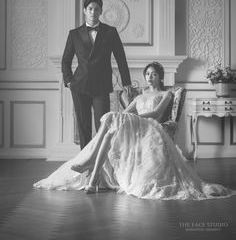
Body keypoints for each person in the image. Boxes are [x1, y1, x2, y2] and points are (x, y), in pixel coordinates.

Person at [34, 61, 236, 200]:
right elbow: (123, 112)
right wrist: (125, 118)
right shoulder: (138, 97)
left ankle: (90, 164)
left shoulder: (167, 94)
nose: (150, 77)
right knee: (111, 120)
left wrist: (132, 119)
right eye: (147, 74)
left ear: (160, 76)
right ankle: (94, 176)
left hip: (149, 126)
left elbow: (156, 114)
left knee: (113, 120)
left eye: (154, 74)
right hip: (134, 124)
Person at [61, 0, 131, 148]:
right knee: (83, 127)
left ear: (101, 11)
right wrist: (69, 81)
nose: (93, 12)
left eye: (96, 9)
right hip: (79, 86)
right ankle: (86, 164)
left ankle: (101, 161)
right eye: (90, 9)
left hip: (101, 86)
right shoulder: (74, 34)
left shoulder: (110, 32)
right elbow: (65, 60)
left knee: (103, 126)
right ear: (85, 11)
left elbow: (121, 58)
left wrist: (127, 82)